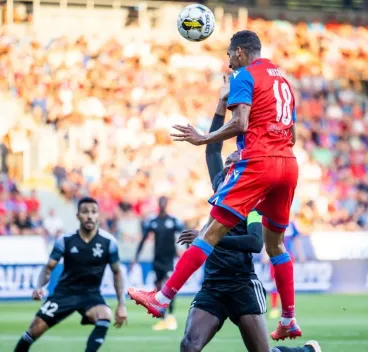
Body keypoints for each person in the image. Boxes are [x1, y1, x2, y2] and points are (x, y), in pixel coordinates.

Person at [129, 30, 301, 341]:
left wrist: (203, 137)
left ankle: (162, 299)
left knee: (209, 232)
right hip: (288, 164)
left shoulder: (245, 75)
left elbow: (242, 123)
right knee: (276, 245)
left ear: (238, 53)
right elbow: (292, 135)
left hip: (259, 163)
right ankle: (288, 318)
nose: (228, 60)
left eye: (228, 55)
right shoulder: (283, 82)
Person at [177, 77, 269, 351]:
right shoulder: (220, 185)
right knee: (189, 346)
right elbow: (212, 148)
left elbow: (255, 243)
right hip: (213, 284)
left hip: (242, 284)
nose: (229, 158)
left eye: (236, 157)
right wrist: (221, 102)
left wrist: (209, 238)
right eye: (229, 158)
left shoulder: (254, 201)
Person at [13, 197, 127, 352]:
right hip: (64, 293)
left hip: (90, 295)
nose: (89, 215)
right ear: (78, 216)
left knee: (105, 314)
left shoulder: (109, 242)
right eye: (85, 212)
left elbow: (117, 273)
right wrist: (39, 287)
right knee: (33, 331)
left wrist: (121, 304)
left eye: (94, 212)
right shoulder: (65, 241)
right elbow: (48, 269)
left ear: (98, 215)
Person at [133, 196, 184, 331]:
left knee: (170, 286)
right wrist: (136, 257)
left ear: (167, 204)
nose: (162, 204)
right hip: (157, 259)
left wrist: (188, 249)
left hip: (169, 259)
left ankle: (171, 316)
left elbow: (184, 235)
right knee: (158, 289)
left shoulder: (173, 221)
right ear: (158, 204)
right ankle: (162, 318)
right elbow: (144, 239)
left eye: (164, 202)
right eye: (160, 202)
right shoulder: (153, 221)